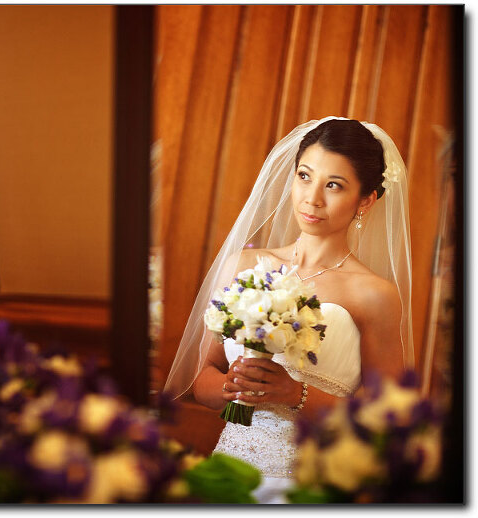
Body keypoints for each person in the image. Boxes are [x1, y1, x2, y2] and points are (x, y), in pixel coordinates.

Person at [163, 117, 414, 503]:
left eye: (333, 185)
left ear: (365, 200)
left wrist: (296, 393)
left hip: (312, 485)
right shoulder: (243, 267)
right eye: (304, 176)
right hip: (231, 474)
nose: (312, 198)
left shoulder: (374, 295)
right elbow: (203, 378)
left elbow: (388, 416)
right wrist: (231, 387)